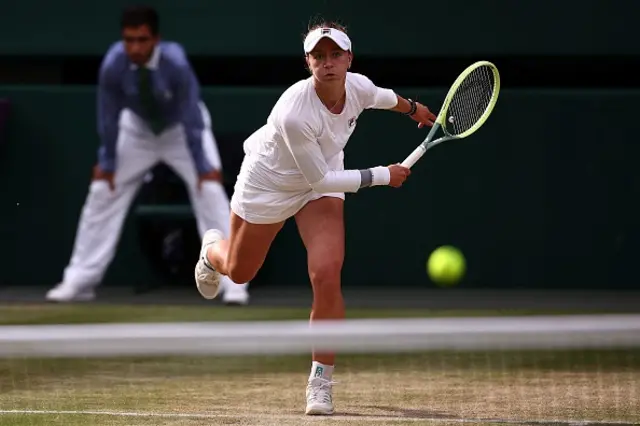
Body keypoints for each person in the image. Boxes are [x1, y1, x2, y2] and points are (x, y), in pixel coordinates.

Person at [194, 22, 437, 415]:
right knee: (239, 272)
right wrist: (381, 175)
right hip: (269, 183)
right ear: (308, 62)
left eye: (335, 55)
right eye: (318, 56)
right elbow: (321, 178)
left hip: (320, 181)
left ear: (348, 58)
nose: (328, 64)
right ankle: (211, 253)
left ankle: (320, 379)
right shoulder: (294, 112)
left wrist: (414, 109)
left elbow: (383, 97)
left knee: (326, 272)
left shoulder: (357, 86)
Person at [46, 5, 249, 305]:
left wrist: (203, 165)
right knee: (103, 189)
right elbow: (108, 116)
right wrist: (109, 162)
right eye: (129, 40)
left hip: (182, 131)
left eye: (141, 40)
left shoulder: (176, 63)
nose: (135, 48)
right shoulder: (113, 64)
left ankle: (233, 281)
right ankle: (80, 279)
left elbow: (191, 114)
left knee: (209, 190)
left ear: (156, 39)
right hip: (136, 131)